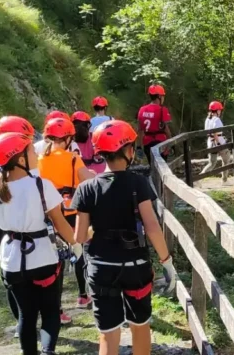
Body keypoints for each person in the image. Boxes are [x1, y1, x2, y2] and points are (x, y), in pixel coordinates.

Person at [71, 120, 177, 355]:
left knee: (108, 333)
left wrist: (96, 230)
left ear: (100, 153)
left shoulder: (87, 188)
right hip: (135, 265)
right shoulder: (138, 182)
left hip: (101, 266)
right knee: (140, 326)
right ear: (129, 150)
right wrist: (166, 261)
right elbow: (152, 226)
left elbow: (80, 236)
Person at [0, 131, 82, 355]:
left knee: (26, 315)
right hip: (43, 258)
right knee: (50, 311)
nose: (36, 154)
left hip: (11, 261)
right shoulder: (41, 185)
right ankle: (48, 351)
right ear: (20, 159)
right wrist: (76, 245)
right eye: (31, 151)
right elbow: (60, 222)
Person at [0, 116, 36, 335]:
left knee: (11, 279)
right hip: (33, 230)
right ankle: (44, 318)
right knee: (40, 278)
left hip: (0, 233)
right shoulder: (30, 164)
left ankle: (23, 324)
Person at [38, 118, 95, 322]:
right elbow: (89, 179)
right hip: (70, 213)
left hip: (48, 216)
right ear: (69, 138)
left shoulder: (39, 160)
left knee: (55, 262)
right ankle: (82, 295)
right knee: (78, 253)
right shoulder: (73, 158)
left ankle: (57, 309)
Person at [137, 84, 172, 166]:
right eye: (163, 96)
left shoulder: (142, 109)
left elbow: (140, 130)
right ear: (159, 96)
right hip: (161, 143)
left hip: (147, 143)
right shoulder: (162, 110)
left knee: (152, 166)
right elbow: (166, 129)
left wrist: (139, 146)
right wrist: (171, 144)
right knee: (162, 167)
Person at [202, 101, 232, 183]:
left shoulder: (207, 119)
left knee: (211, 163)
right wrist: (218, 143)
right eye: (220, 110)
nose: (220, 111)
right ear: (217, 110)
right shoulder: (217, 120)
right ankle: (224, 180)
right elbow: (215, 133)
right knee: (226, 160)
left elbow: (207, 132)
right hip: (219, 142)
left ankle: (199, 178)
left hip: (210, 143)